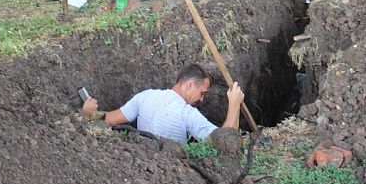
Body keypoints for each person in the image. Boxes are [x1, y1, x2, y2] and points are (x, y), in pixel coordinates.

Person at [81, 64, 245, 143]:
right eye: (202, 93)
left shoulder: (145, 96)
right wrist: (234, 105)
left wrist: (89, 113)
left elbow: (108, 119)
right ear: (189, 85)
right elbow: (224, 142)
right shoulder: (186, 113)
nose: (201, 99)